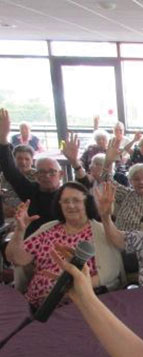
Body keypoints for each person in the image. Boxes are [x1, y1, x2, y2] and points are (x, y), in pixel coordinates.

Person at [5, 182, 124, 308]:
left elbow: (111, 273)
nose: (71, 205)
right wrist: (19, 231)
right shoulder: (49, 228)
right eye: (66, 201)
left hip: (78, 305)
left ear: (86, 202)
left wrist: (66, 290)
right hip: (35, 303)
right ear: (59, 204)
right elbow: (17, 259)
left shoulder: (100, 231)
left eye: (76, 200)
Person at [1, 108, 62, 236]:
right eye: (42, 172)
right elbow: (10, 171)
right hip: (34, 240)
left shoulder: (67, 192)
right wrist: (3, 138)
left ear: (61, 174)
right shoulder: (31, 190)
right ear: (36, 175)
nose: (46, 176)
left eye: (52, 172)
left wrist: (75, 163)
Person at [103, 138, 143, 231]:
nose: (141, 182)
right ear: (130, 181)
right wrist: (107, 162)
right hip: (122, 240)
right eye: (136, 179)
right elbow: (107, 182)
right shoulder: (126, 194)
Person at [0, 144, 36, 217]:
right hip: (6, 215)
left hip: (29, 215)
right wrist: (3, 208)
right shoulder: (4, 176)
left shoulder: (38, 176)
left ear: (32, 161)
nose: (23, 162)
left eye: (27, 159)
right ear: (13, 160)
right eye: (19, 158)